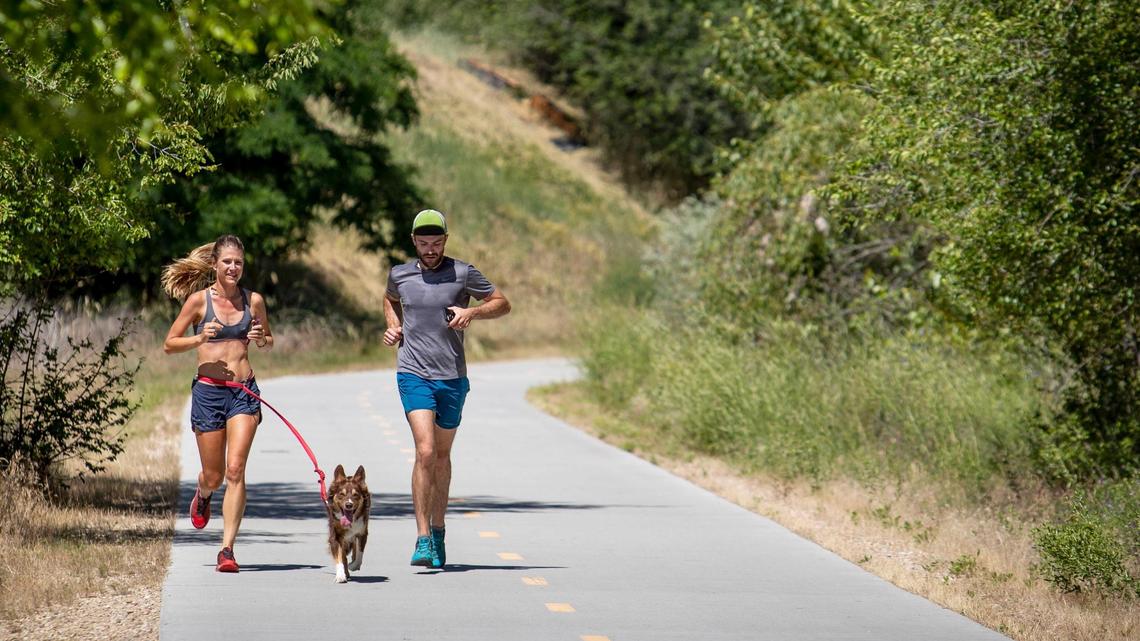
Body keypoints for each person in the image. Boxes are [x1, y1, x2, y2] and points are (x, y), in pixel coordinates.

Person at [383, 209, 511, 569]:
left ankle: (439, 529)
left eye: (436, 243)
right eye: (424, 243)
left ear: (445, 240)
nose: (430, 249)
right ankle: (423, 537)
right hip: (413, 373)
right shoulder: (400, 273)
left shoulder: (463, 272)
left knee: (441, 456)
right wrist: (394, 325)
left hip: (452, 376)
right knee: (424, 452)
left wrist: (473, 314)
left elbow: (502, 303)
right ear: (414, 242)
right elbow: (389, 298)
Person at [162, 234, 273, 573]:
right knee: (214, 474)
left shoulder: (253, 301)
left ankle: (227, 549)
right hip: (209, 393)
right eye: (227, 262)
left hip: (243, 392)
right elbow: (169, 344)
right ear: (215, 264)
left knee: (235, 470)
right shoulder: (198, 302)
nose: (233, 267)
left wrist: (261, 338)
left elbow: (268, 340)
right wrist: (199, 337)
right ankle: (204, 492)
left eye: (238, 262)